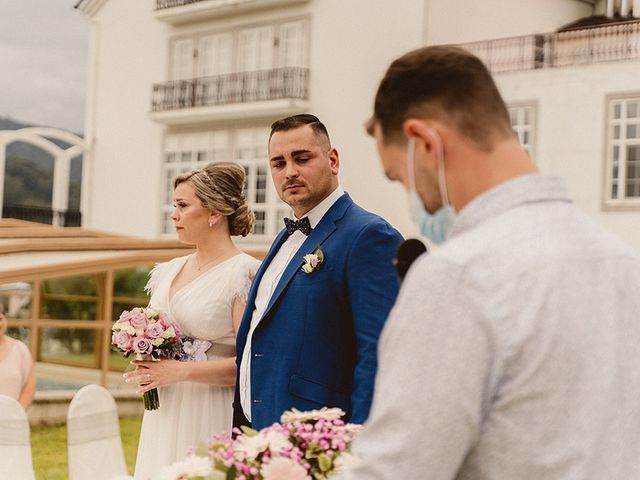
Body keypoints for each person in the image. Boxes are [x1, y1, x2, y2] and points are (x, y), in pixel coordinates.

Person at [336, 45, 640, 479]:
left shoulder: (458, 276)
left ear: (425, 143)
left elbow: (395, 471)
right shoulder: (619, 259)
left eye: (400, 178)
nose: (413, 200)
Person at [233, 114, 403, 430]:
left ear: (333, 160)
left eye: (302, 158)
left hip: (320, 439)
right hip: (258, 431)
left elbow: (381, 351)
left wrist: (357, 443)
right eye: (278, 163)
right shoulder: (284, 238)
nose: (290, 172)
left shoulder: (369, 236)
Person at [125, 162, 260, 479]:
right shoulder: (167, 270)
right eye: (175, 205)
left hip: (210, 408)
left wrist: (179, 370)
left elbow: (250, 365)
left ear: (215, 212)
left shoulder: (243, 273)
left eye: (183, 206)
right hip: (166, 409)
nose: (174, 215)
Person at [0, 306, 35, 409]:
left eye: (0, 319)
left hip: (12, 421)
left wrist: (16, 415)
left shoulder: (20, 349)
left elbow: (30, 386)